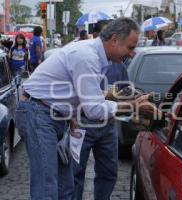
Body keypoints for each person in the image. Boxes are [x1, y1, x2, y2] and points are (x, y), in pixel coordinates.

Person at [15, 17, 158, 200]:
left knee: (65, 187)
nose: (131, 54)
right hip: (38, 113)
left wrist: (70, 114)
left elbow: (78, 93)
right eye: (130, 47)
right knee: (47, 188)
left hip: (52, 115)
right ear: (114, 39)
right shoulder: (87, 56)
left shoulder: (94, 56)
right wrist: (133, 106)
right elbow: (94, 109)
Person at [72, 19, 129, 200]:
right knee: (76, 173)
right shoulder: (84, 57)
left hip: (108, 124)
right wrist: (104, 96)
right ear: (98, 37)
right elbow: (79, 94)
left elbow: (125, 89)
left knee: (109, 172)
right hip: (82, 122)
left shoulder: (119, 63)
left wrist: (119, 96)